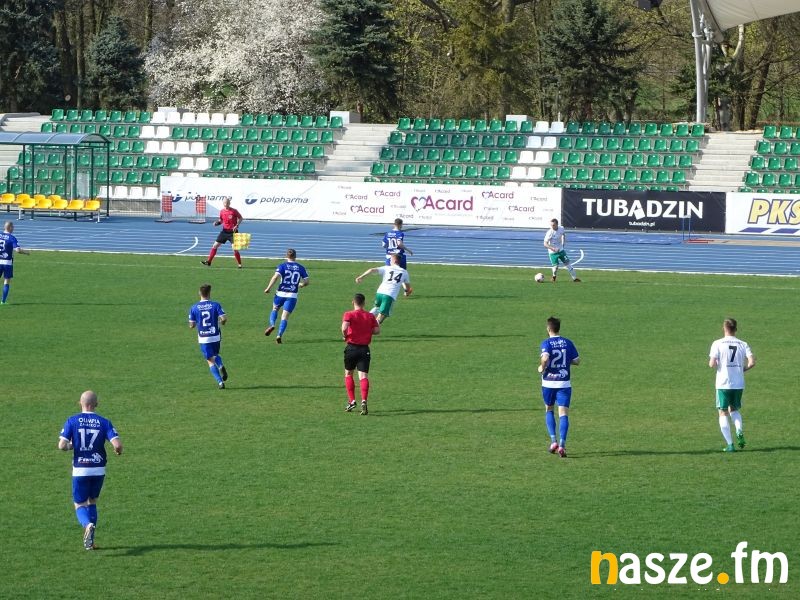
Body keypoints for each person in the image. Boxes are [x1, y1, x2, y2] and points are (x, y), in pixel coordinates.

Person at [57, 390, 123, 550]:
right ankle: (90, 542)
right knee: (92, 501)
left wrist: (72, 446)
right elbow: (118, 445)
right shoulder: (104, 422)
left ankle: (87, 524)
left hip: (80, 470)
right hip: (98, 469)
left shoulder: (72, 420)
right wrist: (118, 451)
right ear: (96, 404)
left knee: (79, 503)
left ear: (80, 403)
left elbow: (62, 446)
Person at [709, 318, 755, 452]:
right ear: (736, 329)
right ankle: (739, 431)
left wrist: (719, 364)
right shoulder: (743, 344)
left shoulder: (717, 343)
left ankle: (730, 445)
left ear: (724, 328)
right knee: (734, 410)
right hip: (738, 383)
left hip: (723, 383)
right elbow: (752, 362)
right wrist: (742, 369)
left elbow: (712, 364)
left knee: (722, 412)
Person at [538, 316, 580, 458]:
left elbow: (545, 358)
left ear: (548, 329)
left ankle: (553, 441)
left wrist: (542, 367)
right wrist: (566, 361)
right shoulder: (568, 342)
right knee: (563, 414)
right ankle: (562, 444)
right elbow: (577, 361)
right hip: (564, 383)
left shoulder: (546, 343)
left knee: (549, 409)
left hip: (548, 383)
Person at [342, 293, 380, 415]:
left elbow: (344, 328)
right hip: (364, 349)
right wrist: (366, 330)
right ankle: (364, 400)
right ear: (364, 303)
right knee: (363, 376)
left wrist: (345, 335)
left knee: (348, 374)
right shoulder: (370, 316)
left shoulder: (349, 314)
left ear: (353, 302)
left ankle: (352, 400)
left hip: (351, 348)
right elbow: (377, 330)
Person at [263, 248, 310, 344]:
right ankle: (279, 335)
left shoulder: (282, 266)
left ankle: (272, 324)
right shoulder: (301, 267)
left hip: (280, 293)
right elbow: (307, 281)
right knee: (284, 317)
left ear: (286, 256)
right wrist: (302, 284)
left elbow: (275, 277)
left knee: (275, 309)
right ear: (295, 256)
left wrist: (268, 288)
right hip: (292, 296)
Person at [188, 283, 229, 389]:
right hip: (215, 335)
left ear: (199, 293)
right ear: (209, 293)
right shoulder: (216, 305)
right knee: (215, 354)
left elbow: (192, 325)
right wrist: (222, 323)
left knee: (210, 360)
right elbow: (224, 318)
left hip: (204, 337)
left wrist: (193, 324)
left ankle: (220, 382)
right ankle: (220, 365)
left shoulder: (194, 307)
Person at [355, 254, 412, 324]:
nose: (390, 261)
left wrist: (361, 277)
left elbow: (371, 270)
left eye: (390, 260)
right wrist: (407, 291)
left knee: (377, 308)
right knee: (382, 316)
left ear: (394, 261)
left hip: (380, 292)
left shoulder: (386, 268)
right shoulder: (404, 272)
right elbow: (408, 288)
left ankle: (364, 319)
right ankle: (367, 326)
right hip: (389, 295)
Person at [201, 198, 243, 268]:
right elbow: (221, 220)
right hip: (224, 232)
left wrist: (237, 225)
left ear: (229, 203)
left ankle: (239, 264)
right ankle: (209, 262)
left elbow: (241, 218)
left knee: (235, 249)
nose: (226, 204)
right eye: (225, 203)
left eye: (227, 203)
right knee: (215, 246)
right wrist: (217, 223)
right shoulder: (222, 211)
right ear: (223, 203)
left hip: (233, 232)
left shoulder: (234, 211)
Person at [0, 221, 30, 304]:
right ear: (10, 228)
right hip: (7, 262)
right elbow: (17, 250)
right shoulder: (12, 238)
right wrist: (26, 252)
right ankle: (3, 301)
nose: (13, 228)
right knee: (6, 281)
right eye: (13, 227)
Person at [543, 218, 580, 283]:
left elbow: (563, 235)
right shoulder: (549, 233)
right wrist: (553, 248)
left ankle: (575, 279)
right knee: (556, 267)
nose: (552, 226)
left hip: (561, 250)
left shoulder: (561, 228)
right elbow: (545, 244)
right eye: (551, 225)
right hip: (553, 252)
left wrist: (563, 243)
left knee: (568, 264)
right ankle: (554, 276)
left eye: (553, 225)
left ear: (557, 224)